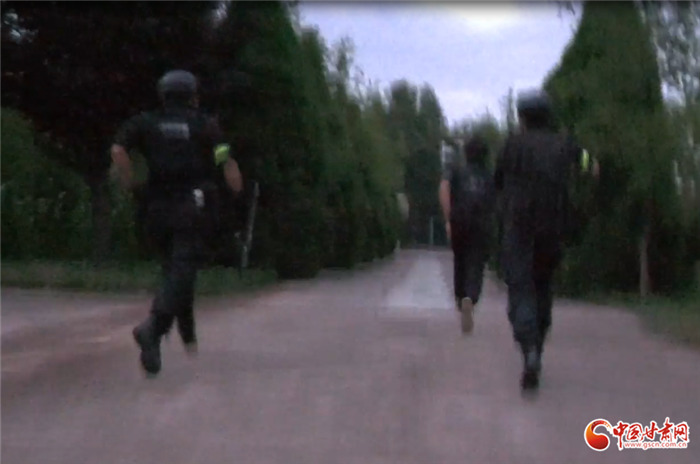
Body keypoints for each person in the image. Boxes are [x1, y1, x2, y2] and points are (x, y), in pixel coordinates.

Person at [110, 70, 243, 377]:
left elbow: (117, 149)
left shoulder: (147, 122)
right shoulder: (204, 125)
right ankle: (154, 327)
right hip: (190, 206)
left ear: (164, 95)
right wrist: (235, 188)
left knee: (175, 269)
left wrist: (129, 182)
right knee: (183, 267)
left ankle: (176, 335)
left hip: (155, 208)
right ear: (193, 96)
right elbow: (224, 159)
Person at [494, 89, 599, 391]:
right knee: (543, 287)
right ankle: (537, 346)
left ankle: (529, 348)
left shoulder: (512, 145)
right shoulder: (565, 144)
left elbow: (497, 182)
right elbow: (591, 167)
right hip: (553, 228)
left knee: (520, 289)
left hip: (519, 229)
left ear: (522, 118)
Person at [439, 135, 496, 334]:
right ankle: (470, 297)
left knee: (460, 261)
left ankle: (460, 297)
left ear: (466, 153)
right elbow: (497, 200)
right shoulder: (489, 176)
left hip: (459, 222)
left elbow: (444, 187)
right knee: (477, 264)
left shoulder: (456, 171)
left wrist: (448, 218)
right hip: (481, 225)